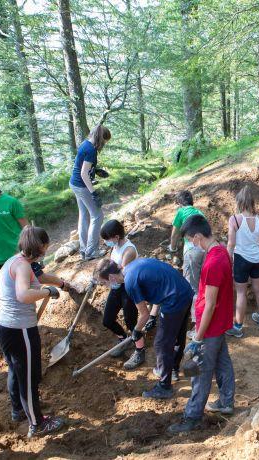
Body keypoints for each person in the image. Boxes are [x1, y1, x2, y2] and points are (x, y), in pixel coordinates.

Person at [0, 226, 69, 437]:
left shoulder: (14, 261)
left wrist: (58, 283)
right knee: (29, 377)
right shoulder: (23, 267)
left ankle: (18, 410)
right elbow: (23, 295)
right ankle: (37, 424)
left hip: (2, 326)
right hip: (18, 330)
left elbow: (36, 278)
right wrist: (46, 291)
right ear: (41, 246)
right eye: (46, 246)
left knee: (15, 370)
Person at [168, 214, 235, 434]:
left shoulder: (214, 262)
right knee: (222, 361)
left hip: (211, 326)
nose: (190, 243)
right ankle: (226, 401)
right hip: (219, 323)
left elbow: (211, 304)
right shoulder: (220, 250)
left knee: (201, 373)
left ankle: (192, 416)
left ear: (197, 236)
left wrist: (198, 337)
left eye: (190, 239)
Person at [96, 257, 193, 398]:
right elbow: (159, 285)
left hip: (174, 300)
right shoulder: (132, 267)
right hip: (185, 291)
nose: (105, 286)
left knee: (161, 344)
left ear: (111, 277)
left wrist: (136, 331)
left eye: (104, 282)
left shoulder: (130, 282)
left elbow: (144, 314)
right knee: (178, 335)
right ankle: (173, 369)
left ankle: (164, 387)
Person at [225, 185, 259, 338]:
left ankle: (238, 327)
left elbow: (231, 244)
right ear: (252, 202)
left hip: (241, 259)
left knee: (241, 293)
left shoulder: (234, 220)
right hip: (258, 258)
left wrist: (227, 261)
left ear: (239, 202)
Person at [99, 219, 143, 369]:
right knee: (107, 320)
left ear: (116, 237)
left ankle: (139, 350)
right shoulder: (115, 246)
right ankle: (123, 339)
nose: (106, 242)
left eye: (107, 239)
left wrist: (106, 278)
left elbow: (122, 274)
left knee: (131, 320)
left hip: (128, 286)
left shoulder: (129, 251)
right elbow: (110, 267)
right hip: (116, 287)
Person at [70, 124, 111, 261]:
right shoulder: (91, 150)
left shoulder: (85, 144)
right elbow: (83, 174)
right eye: (105, 141)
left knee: (84, 215)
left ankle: (84, 249)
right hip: (81, 185)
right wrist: (93, 193)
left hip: (74, 183)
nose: (104, 144)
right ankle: (91, 252)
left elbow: (83, 166)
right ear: (101, 138)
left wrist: (96, 170)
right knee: (97, 215)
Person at [168, 190, 205, 333]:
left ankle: (197, 327)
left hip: (192, 252)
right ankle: (206, 318)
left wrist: (172, 248)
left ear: (179, 203)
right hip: (205, 250)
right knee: (203, 286)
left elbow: (175, 233)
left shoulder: (181, 212)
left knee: (192, 288)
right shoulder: (199, 213)